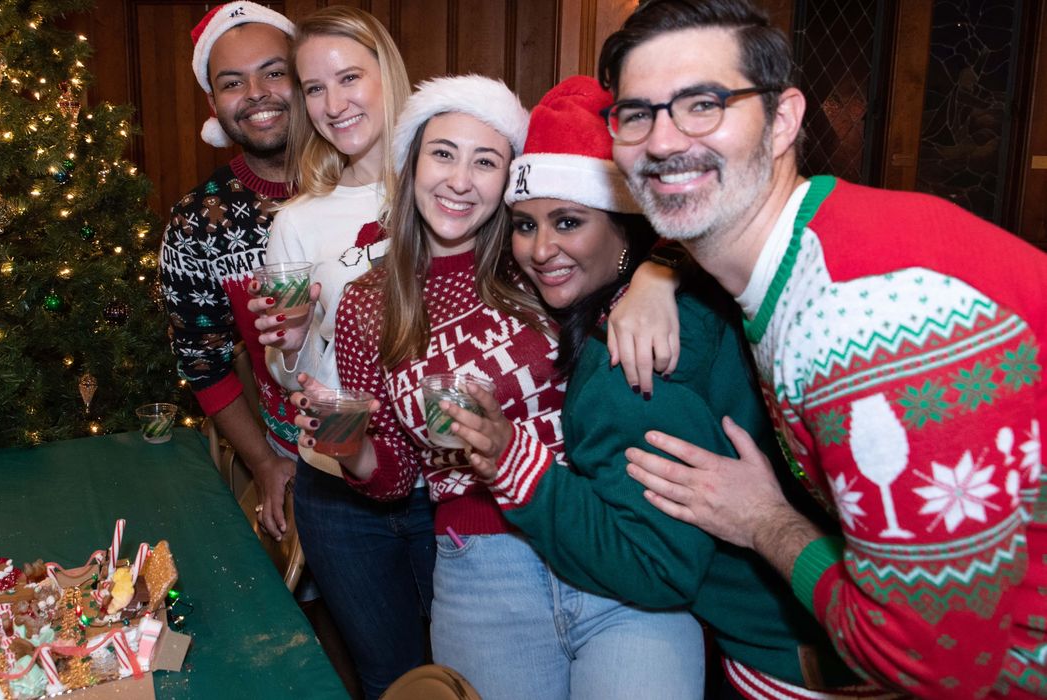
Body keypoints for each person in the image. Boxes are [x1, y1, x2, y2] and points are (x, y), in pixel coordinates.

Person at [598, 0, 1047, 696]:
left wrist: (762, 520)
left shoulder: (865, 324)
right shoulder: (822, 240)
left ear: (782, 120)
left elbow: (928, 664)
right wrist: (657, 268)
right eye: (636, 114)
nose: (660, 142)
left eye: (702, 104)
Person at [442, 74, 894, 699]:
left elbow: (656, 567)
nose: (540, 248)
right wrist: (663, 268)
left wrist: (517, 467)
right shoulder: (699, 287)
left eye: (568, 221)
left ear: (627, 230)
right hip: (841, 627)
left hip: (798, 661)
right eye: (524, 225)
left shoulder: (627, 360)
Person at [296, 74, 703, 700]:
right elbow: (398, 476)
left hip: (609, 542)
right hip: (480, 570)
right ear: (411, 165)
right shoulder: (366, 306)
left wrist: (657, 273)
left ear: (510, 179)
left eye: (485, 161)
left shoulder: (538, 258)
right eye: (442, 154)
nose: (460, 180)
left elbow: (674, 225)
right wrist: (349, 447)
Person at [248, 8, 432, 698]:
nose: (333, 104)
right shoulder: (297, 220)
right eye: (314, 88)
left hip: (448, 481)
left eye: (348, 77)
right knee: (390, 677)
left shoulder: (447, 185)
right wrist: (290, 350)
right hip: (339, 485)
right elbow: (291, 376)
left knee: (474, 671)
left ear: (387, 74)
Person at [158, 2, 298, 539]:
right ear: (213, 103)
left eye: (274, 72)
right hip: (302, 461)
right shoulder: (197, 223)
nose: (257, 93)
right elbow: (203, 362)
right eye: (233, 82)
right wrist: (265, 463)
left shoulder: (374, 187)